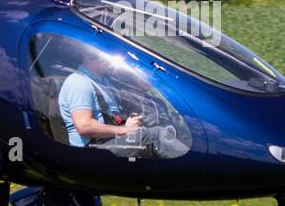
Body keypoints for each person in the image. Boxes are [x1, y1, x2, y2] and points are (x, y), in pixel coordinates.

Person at [56, 50, 187, 158]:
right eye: (101, 57)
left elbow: (112, 117)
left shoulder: (103, 82)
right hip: (90, 152)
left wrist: (129, 124)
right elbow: (84, 126)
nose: (107, 61)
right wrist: (124, 130)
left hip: (108, 142)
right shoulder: (79, 82)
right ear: (88, 58)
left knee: (170, 130)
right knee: (155, 135)